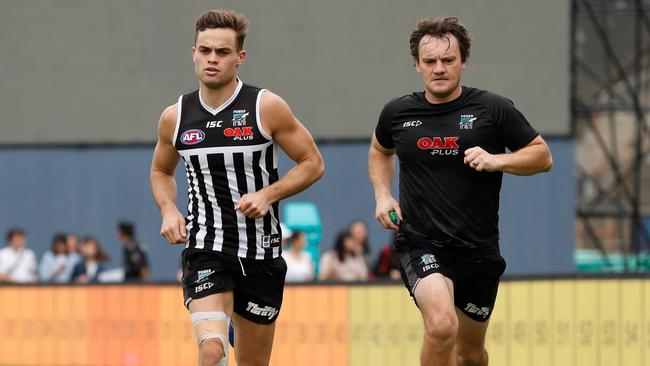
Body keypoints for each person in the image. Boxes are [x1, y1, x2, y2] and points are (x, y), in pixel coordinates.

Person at [368, 17, 553, 366]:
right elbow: (380, 150)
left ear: (464, 62)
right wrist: (382, 193)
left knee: (470, 354)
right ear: (416, 64)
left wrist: (498, 160)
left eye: (448, 60)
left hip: (478, 250)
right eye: (430, 61)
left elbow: (542, 156)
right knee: (440, 326)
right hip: (421, 242)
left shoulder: (493, 109)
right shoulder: (397, 112)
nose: (439, 68)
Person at [149, 9, 324, 366]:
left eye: (223, 52)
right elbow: (160, 169)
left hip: (261, 252)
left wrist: (267, 194)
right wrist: (168, 209)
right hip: (205, 247)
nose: (212, 59)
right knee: (212, 350)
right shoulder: (175, 116)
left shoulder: (266, 107)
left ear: (239, 57)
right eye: (205, 50)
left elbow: (313, 163)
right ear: (194, 53)